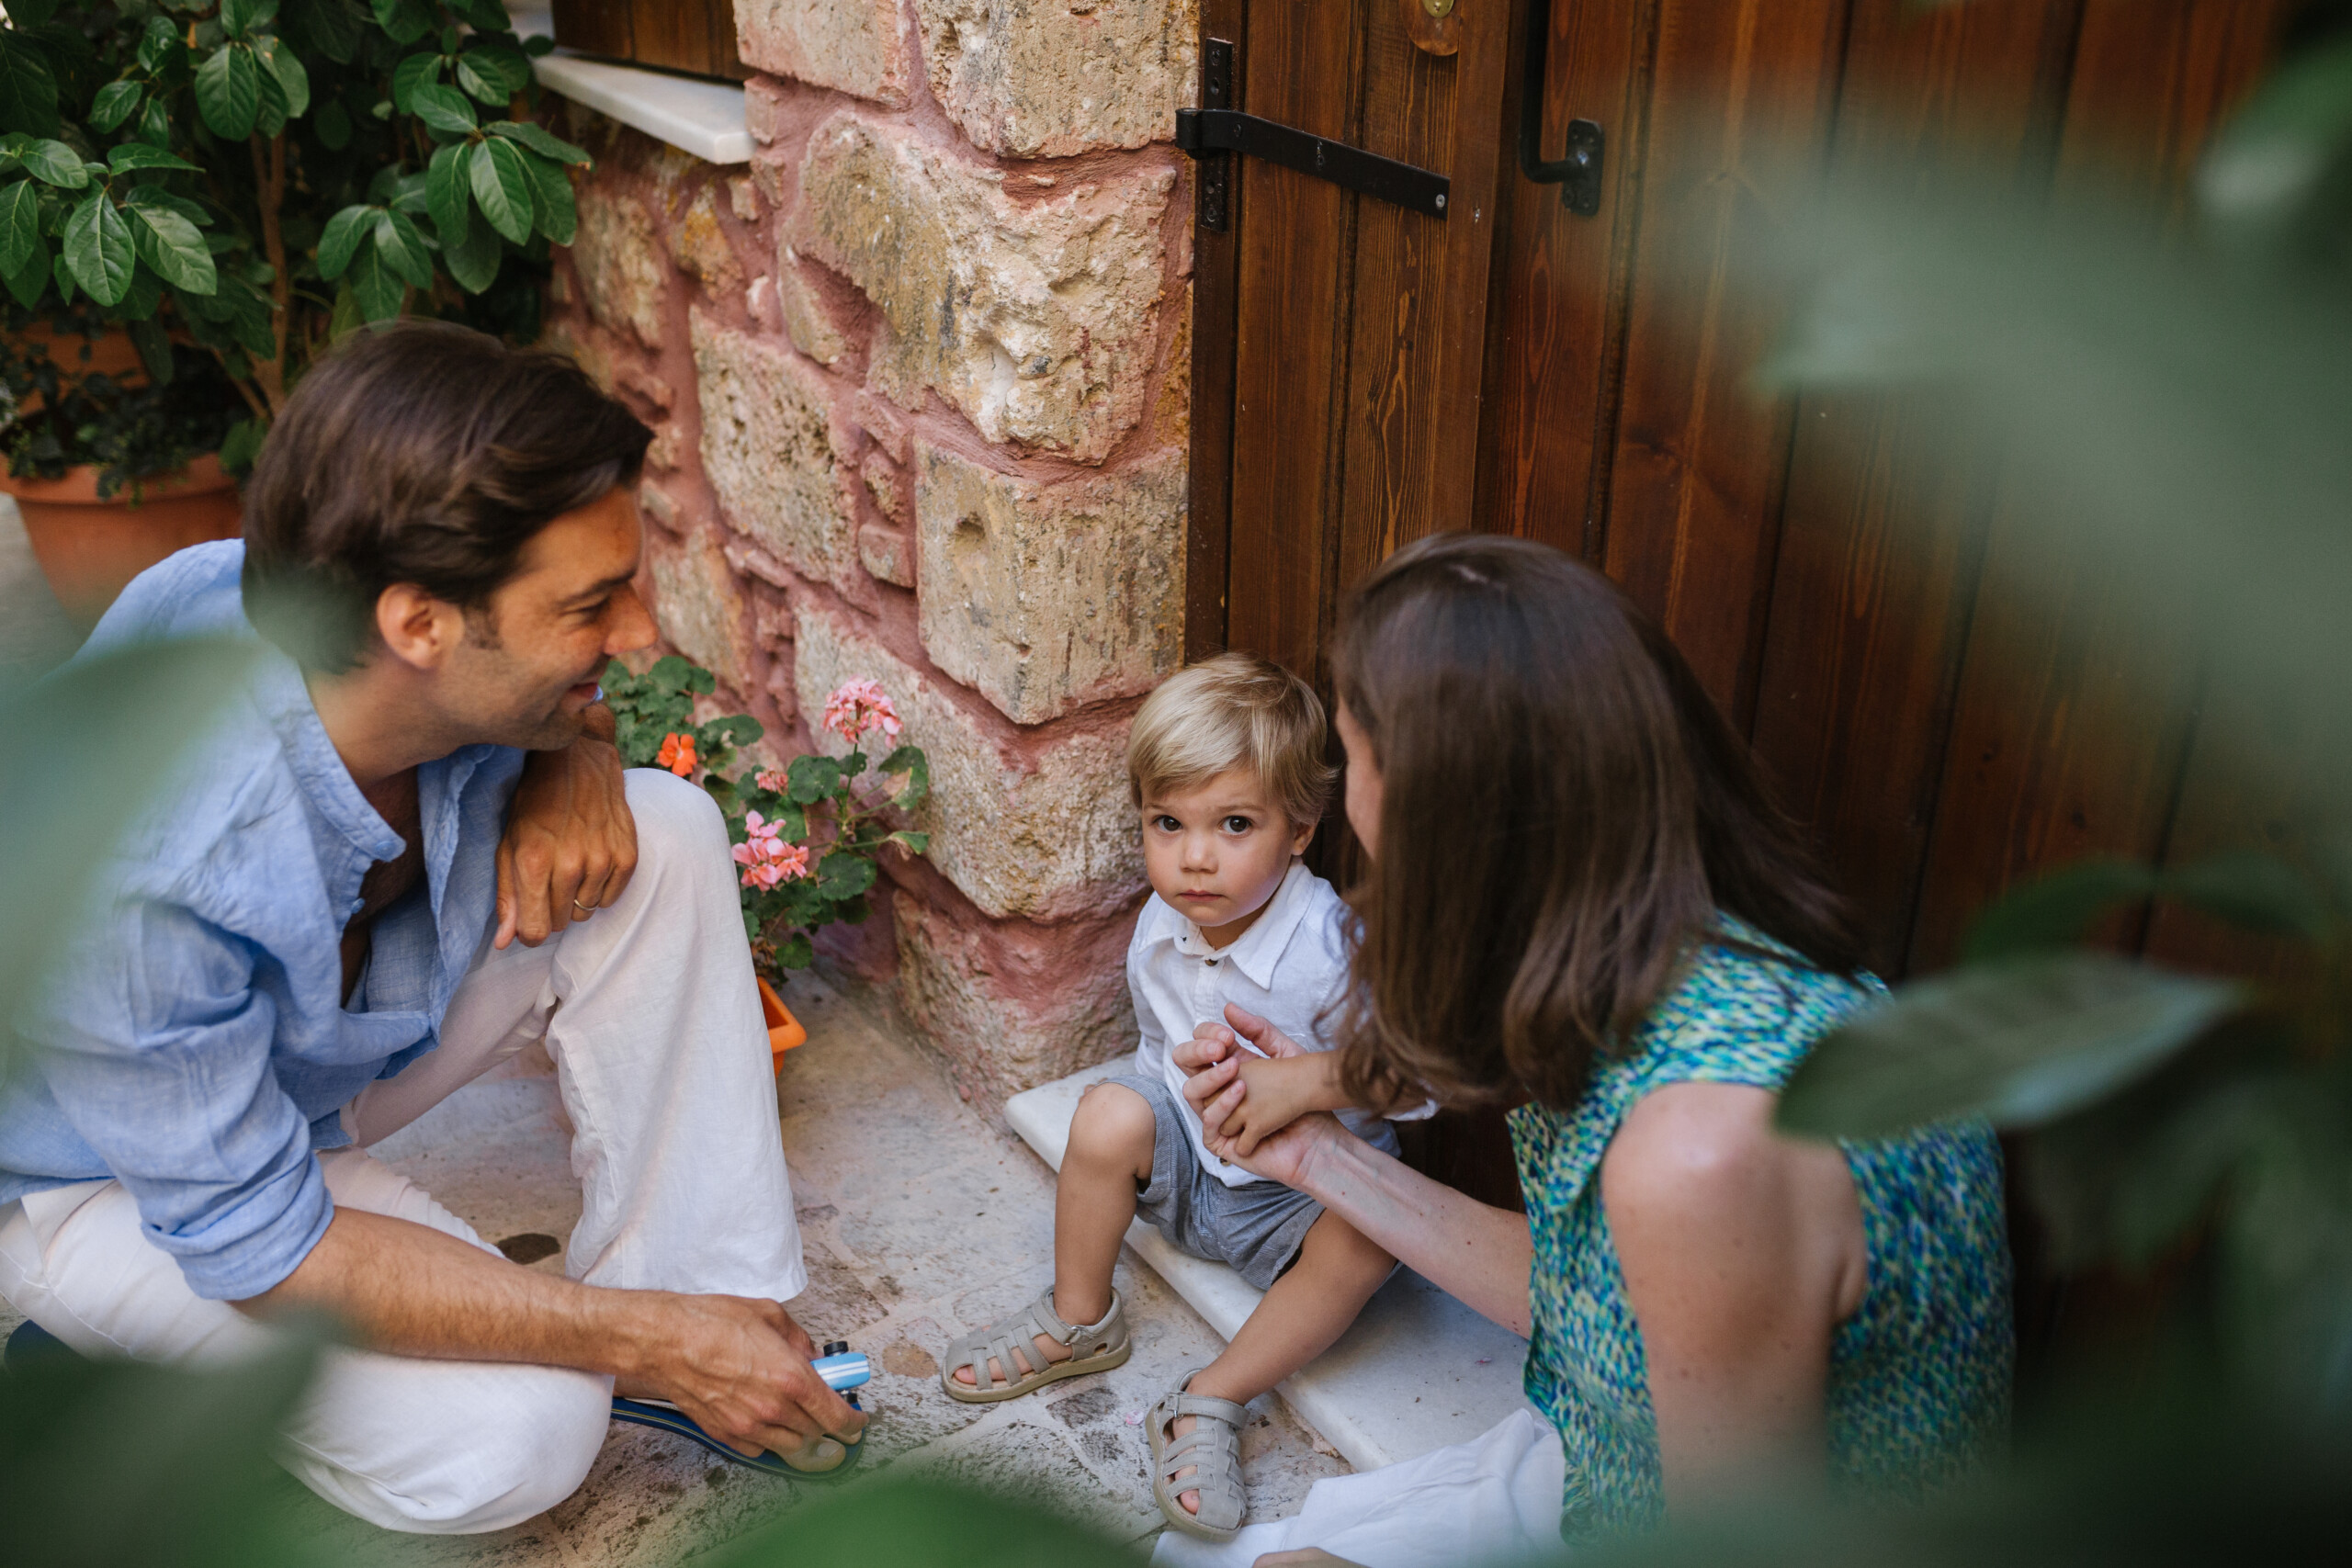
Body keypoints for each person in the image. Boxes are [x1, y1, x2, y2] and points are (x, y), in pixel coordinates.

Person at [0, 322, 863, 1534]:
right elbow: (267, 1252)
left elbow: (554, 692)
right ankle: (119, 1383)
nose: (636, 635)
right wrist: (628, 1342)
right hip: (100, 1176)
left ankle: (702, 1314)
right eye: (592, 605)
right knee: (524, 1438)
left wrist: (581, 750)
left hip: (312, 1063)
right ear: (416, 627)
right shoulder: (163, 875)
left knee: (659, 834)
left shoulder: (354, 608)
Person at [1176, 535, 2013, 1552]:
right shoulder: (1641, 956)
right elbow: (1598, 1304)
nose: (1349, 803)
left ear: (1441, 815)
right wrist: (1321, 1157)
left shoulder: (1701, 1151)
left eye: (1352, 759)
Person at [940, 654, 1431, 1543]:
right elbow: (1156, 1047)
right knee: (1106, 1112)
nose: (1193, 857)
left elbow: (1421, 1089)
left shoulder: (1333, 951)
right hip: (1193, 1182)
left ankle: (1213, 1396)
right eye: (1167, 822)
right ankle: (1079, 1318)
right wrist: (1173, 1095)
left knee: (1366, 1237)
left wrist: (1316, 1089)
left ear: (1300, 830)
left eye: (1233, 823)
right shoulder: (1161, 927)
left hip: (1295, 1205)